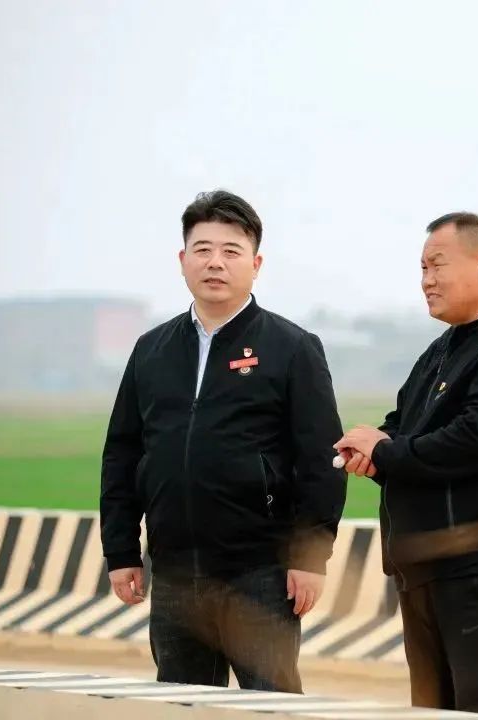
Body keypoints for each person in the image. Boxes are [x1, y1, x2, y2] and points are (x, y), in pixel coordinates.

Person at [101, 189, 347, 692]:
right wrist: (121, 550)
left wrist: (310, 559)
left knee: (272, 705)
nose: (215, 262)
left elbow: (320, 460)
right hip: (174, 572)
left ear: (255, 264)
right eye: (203, 249)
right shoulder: (151, 350)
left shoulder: (292, 348)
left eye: (231, 251)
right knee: (183, 705)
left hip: (259, 574)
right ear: (182, 260)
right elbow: (123, 453)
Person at [334, 212, 478, 718]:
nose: (427, 281)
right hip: (425, 568)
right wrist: (371, 450)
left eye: (437, 265)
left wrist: (385, 452)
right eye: (422, 268)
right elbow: (405, 427)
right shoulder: (443, 349)